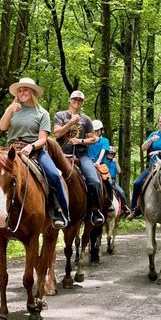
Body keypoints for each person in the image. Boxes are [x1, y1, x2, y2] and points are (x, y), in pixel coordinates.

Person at [0, 77, 70, 229]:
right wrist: (10, 109)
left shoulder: (42, 113)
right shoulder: (13, 110)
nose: (22, 92)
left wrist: (31, 147)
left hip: (34, 150)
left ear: (32, 92)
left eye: (25, 89)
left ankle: (60, 211)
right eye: (20, 90)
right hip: (11, 150)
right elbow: (3, 127)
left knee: (54, 175)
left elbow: (43, 139)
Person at [53, 90, 105, 226]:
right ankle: (53, 210)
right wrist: (71, 122)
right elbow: (57, 133)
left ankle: (95, 209)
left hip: (81, 154)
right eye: (75, 99)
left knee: (94, 180)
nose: (77, 101)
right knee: (46, 176)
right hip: (60, 154)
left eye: (80, 100)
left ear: (82, 103)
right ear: (70, 100)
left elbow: (93, 139)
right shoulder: (60, 115)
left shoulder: (86, 119)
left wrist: (80, 141)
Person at [88, 120, 114, 209]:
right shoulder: (88, 140)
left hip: (101, 165)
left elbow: (103, 151)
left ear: (101, 130)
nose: (96, 132)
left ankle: (110, 201)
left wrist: (98, 161)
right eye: (94, 130)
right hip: (89, 164)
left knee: (108, 181)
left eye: (98, 130)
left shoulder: (105, 140)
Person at [105, 146, 131, 215]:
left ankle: (124, 207)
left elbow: (119, 171)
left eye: (112, 154)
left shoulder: (114, 161)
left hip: (113, 181)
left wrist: (116, 162)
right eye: (109, 154)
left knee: (121, 192)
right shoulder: (104, 161)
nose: (110, 155)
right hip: (105, 179)